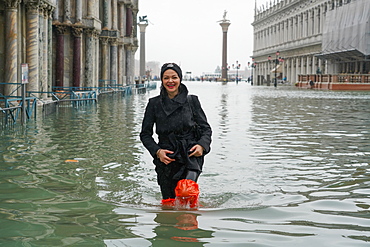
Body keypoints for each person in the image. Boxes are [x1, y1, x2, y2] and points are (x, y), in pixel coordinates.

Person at [140, 62, 212, 206]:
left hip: (190, 154)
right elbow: (145, 134)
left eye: (174, 77)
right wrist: (157, 151)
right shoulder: (154, 104)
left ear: (180, 79)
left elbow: (206, 129)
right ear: (161, 80)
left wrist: (201, 146)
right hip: (167, 157)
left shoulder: (192, 101)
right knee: (169, 202)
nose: (170, 81)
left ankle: (191, 221)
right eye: (166, 78)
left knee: (186, 192)